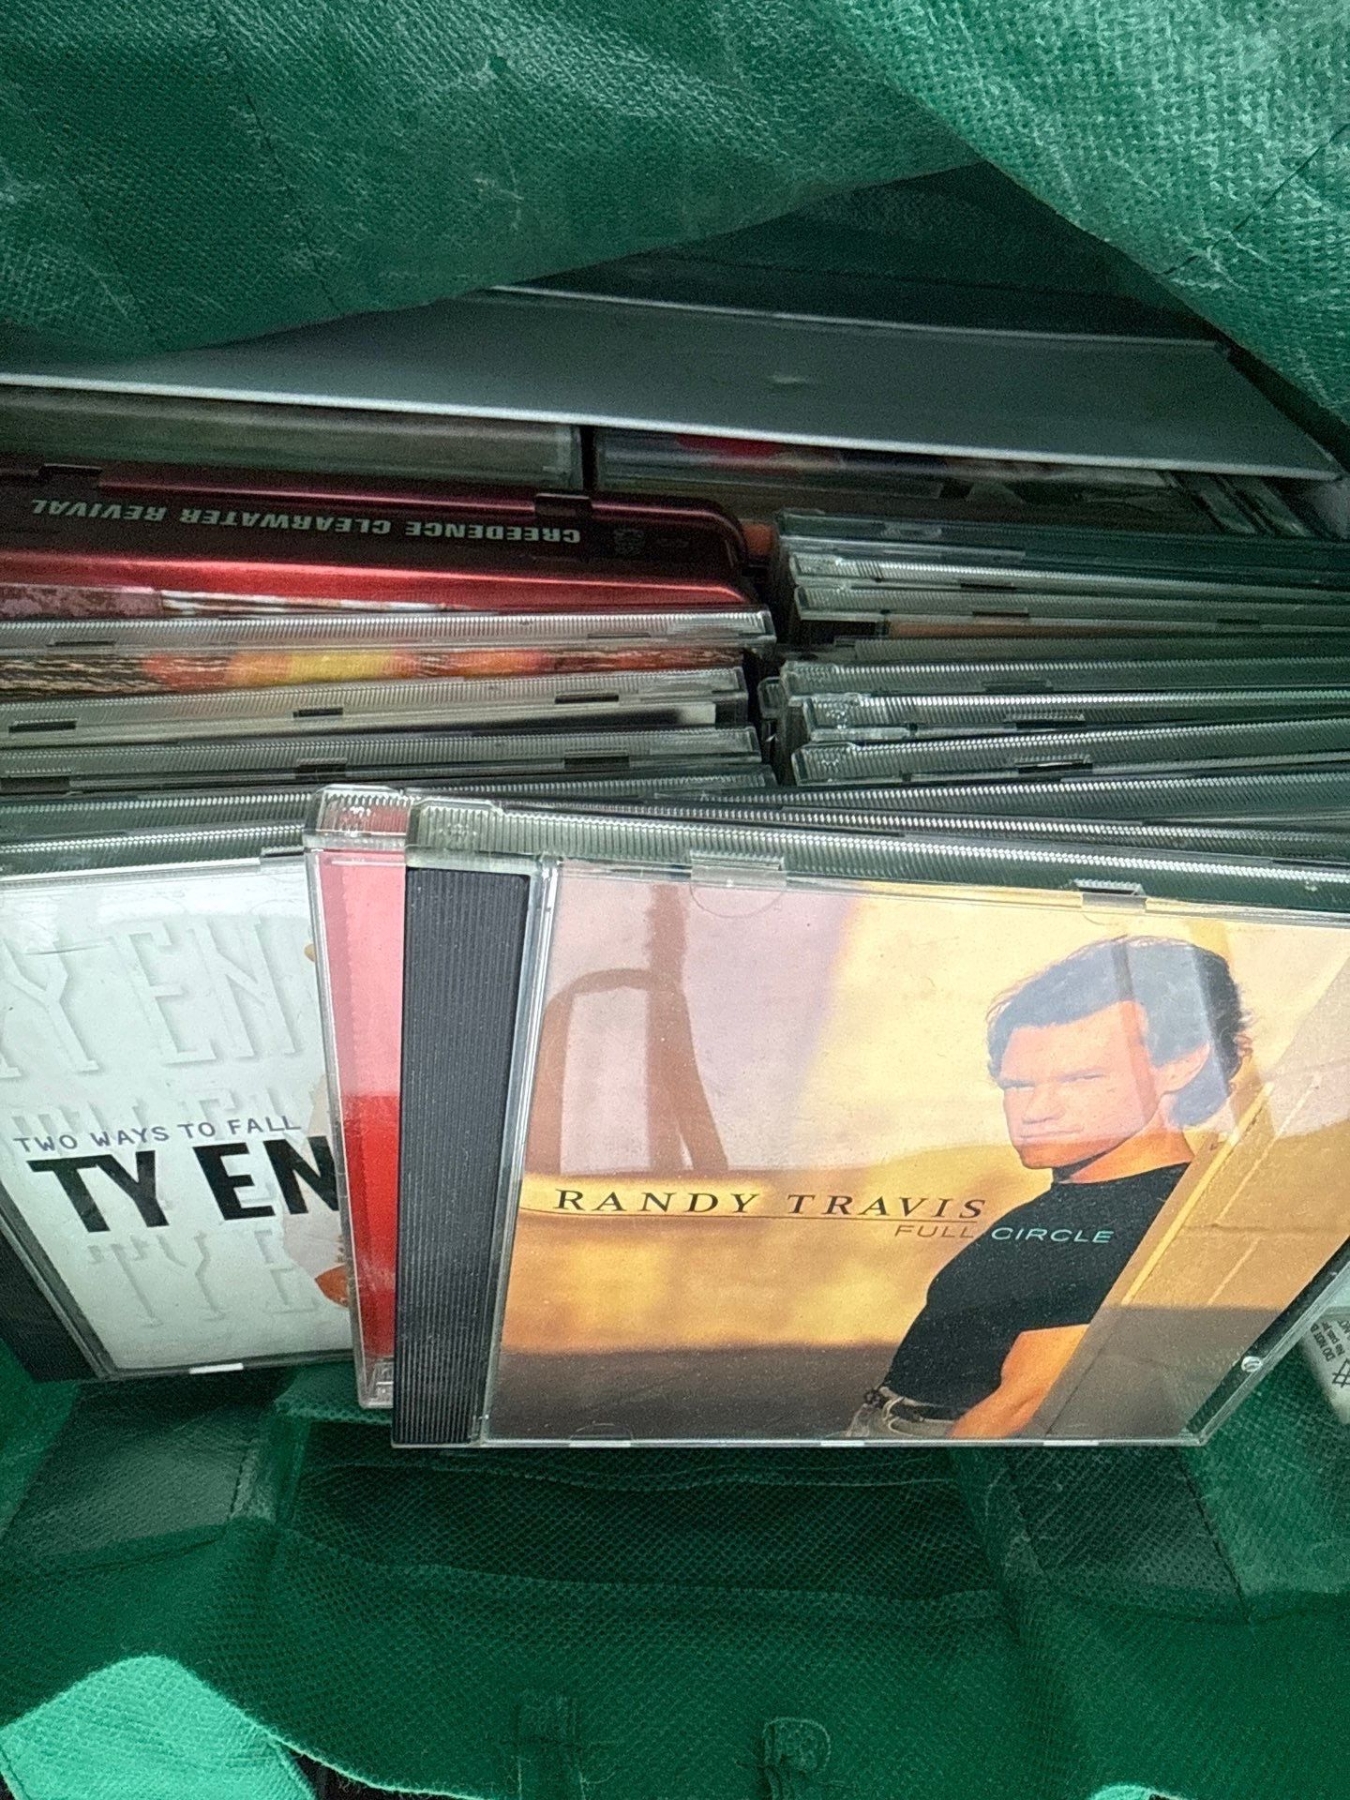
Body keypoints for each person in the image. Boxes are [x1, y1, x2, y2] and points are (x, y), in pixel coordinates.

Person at [849, 935, 1248, 1441]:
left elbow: (1023, 1402)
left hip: (937, 1448)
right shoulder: (1084, 1196)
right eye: (1018, 1086)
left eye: (1080, 1079)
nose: (1036, 1111)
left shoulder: (1157, 1217)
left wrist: (928, 1478)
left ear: (1180, 1065)